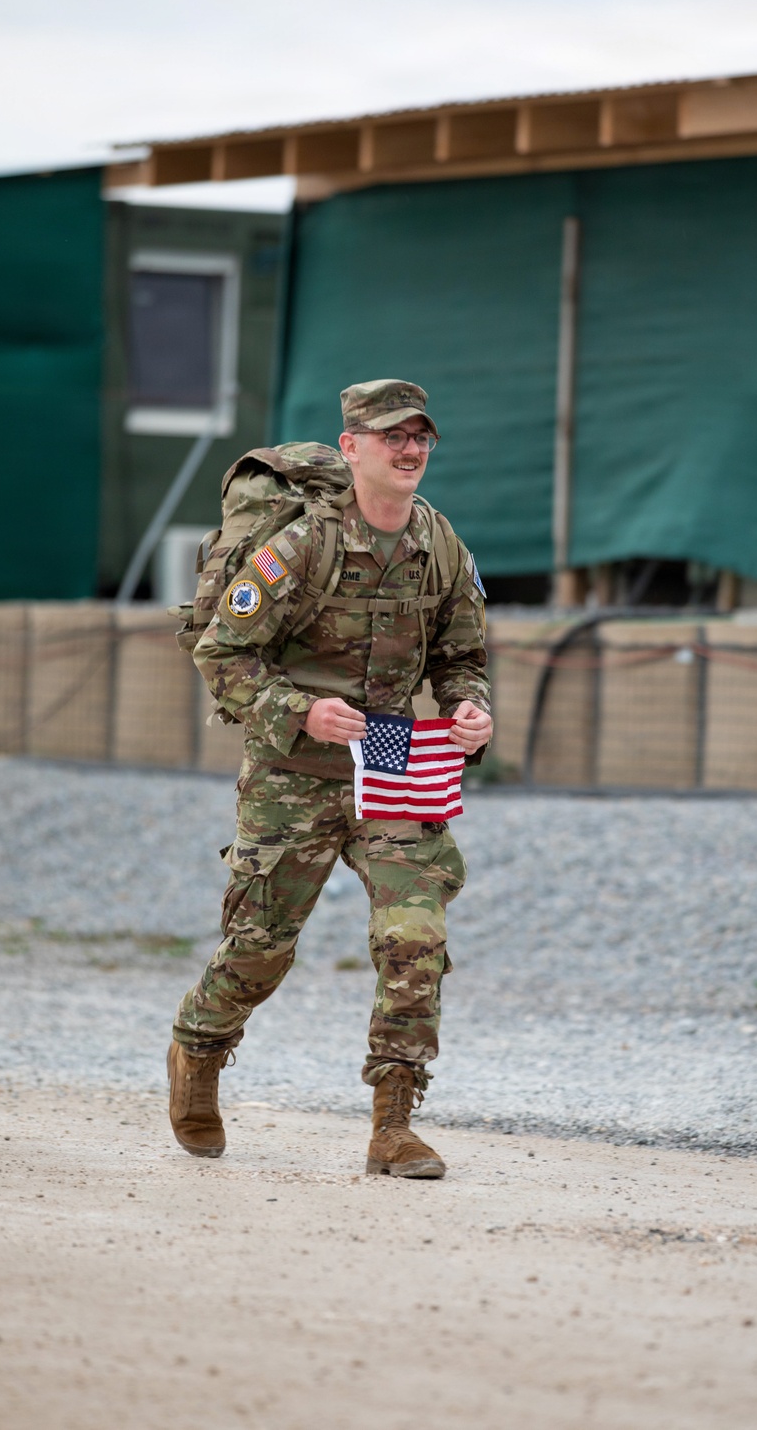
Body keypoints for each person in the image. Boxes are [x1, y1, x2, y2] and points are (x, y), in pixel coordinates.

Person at [168, 379, 492, 1178]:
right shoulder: (302, 545)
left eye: (421, 437)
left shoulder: (440, 543)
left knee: (414, 939)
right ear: (351, 449)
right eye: (393, 437)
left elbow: (461, 659)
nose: (411, 449)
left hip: (392, 766)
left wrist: (470, 710)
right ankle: (198, 1050)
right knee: (261, 946)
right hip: (294, 774)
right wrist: (300, 711)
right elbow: (220, 651)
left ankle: (393, 1125)